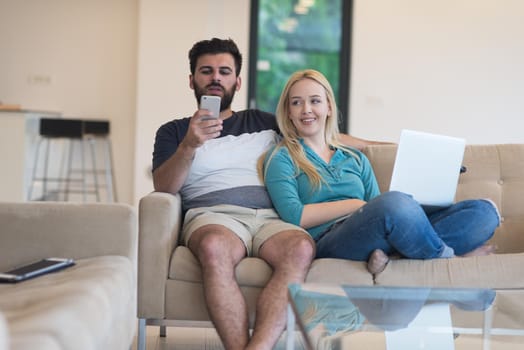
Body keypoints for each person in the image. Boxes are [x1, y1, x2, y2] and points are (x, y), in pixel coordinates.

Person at [152, 38, 380, 350]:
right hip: (215, 216)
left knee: (300, 248)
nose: (216, 77)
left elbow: (326, 136)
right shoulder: (174, 131)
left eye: (224, 71)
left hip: (272, 217)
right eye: (207, 71)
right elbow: (164, 186)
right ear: (192, 80)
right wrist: (190, 145)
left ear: (237, 81)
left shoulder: (262, 122)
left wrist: (387, 146)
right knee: (214, 246)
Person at [261, 69, 500, 275]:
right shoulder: (281, 157)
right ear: (288, 112)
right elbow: (295, 215)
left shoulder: (354, 157)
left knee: (484, 212)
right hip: (330, 239)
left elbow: (376, 205)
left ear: (329, 107)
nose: (306, 109)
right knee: (395, 204)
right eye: (296, 102)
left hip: (377, 234)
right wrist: (355, 205)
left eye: (315, 101)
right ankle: (449, 260)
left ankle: (395, 259)